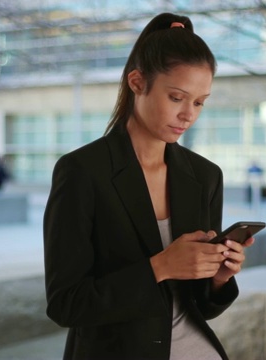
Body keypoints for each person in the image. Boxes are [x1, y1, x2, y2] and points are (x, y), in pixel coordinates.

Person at [43, 13, 254, 360]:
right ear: (137, 82)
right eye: (176, 97)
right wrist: (161, 266)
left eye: (200, 102)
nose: (189, 114)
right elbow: (66, 305)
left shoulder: (205, 176)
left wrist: (217, 277)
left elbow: (201, 307)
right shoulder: (81, 172)